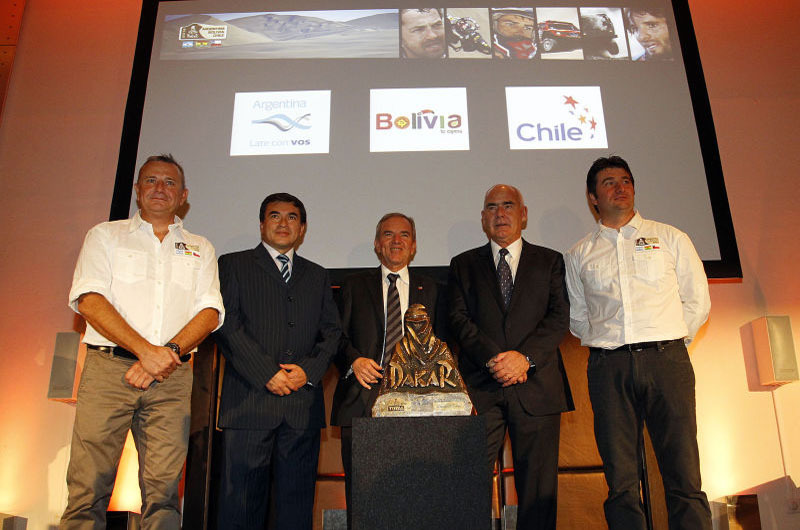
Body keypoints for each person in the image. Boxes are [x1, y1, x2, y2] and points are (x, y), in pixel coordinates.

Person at [60, 154, 224, 529]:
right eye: (151, 180)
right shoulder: (105, 235)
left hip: (172, 376)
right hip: (108, 372)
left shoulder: (201, 247)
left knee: (164, 493)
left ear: (183, 195)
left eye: (169, 183)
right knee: (87, 488)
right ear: (137, 190)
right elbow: (89, 299)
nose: (159, 188)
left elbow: (210, 312)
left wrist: (165, 355)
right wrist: (145, 352)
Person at [564, 156, 712, 530]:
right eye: (609, 182)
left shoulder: (671, 238)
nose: (620, 187)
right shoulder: (579, 253)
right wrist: (611, 346)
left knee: (684, 474)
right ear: (592, 197)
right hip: (608, 367)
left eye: (626, 180)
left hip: (668, 362)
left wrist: (669, 343)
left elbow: (697, 302)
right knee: (621, 481)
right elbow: (579, 318)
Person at [448, 185, 573, 530]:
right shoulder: (462, 264)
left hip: (537, 386)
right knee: (467, 484)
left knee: (538, 492)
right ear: (483, 218)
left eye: (508, 206)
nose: (500, 213)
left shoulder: (550, 261)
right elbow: (458, 320)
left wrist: (524, 358)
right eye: (492, 207)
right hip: (480, 388)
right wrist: (494, 359)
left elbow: (559, 317)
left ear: (524, 214)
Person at [214, 192, 340, 530]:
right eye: (275, 216)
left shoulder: (317, 275)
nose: (283, 223)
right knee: (239, 507)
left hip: (301, 407)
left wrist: (308, 372)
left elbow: (331, 333)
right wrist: (266, 372)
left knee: (296, 510)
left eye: (292, 217)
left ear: (302, 228)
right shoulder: (233, 264)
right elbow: (226, 324)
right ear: (261, 224)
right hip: (249, 404)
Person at [330, 212, 442, 528]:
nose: (396, 241)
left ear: (414, 245)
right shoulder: (353, 286)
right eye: (388, 235)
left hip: (418, 406)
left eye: (404, 235)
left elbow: (444, 344)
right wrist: (353, 360)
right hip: (362, 400)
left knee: (414, 497)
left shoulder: (431, 289)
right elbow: (333, 335)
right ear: (377, 244)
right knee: (363, 498)